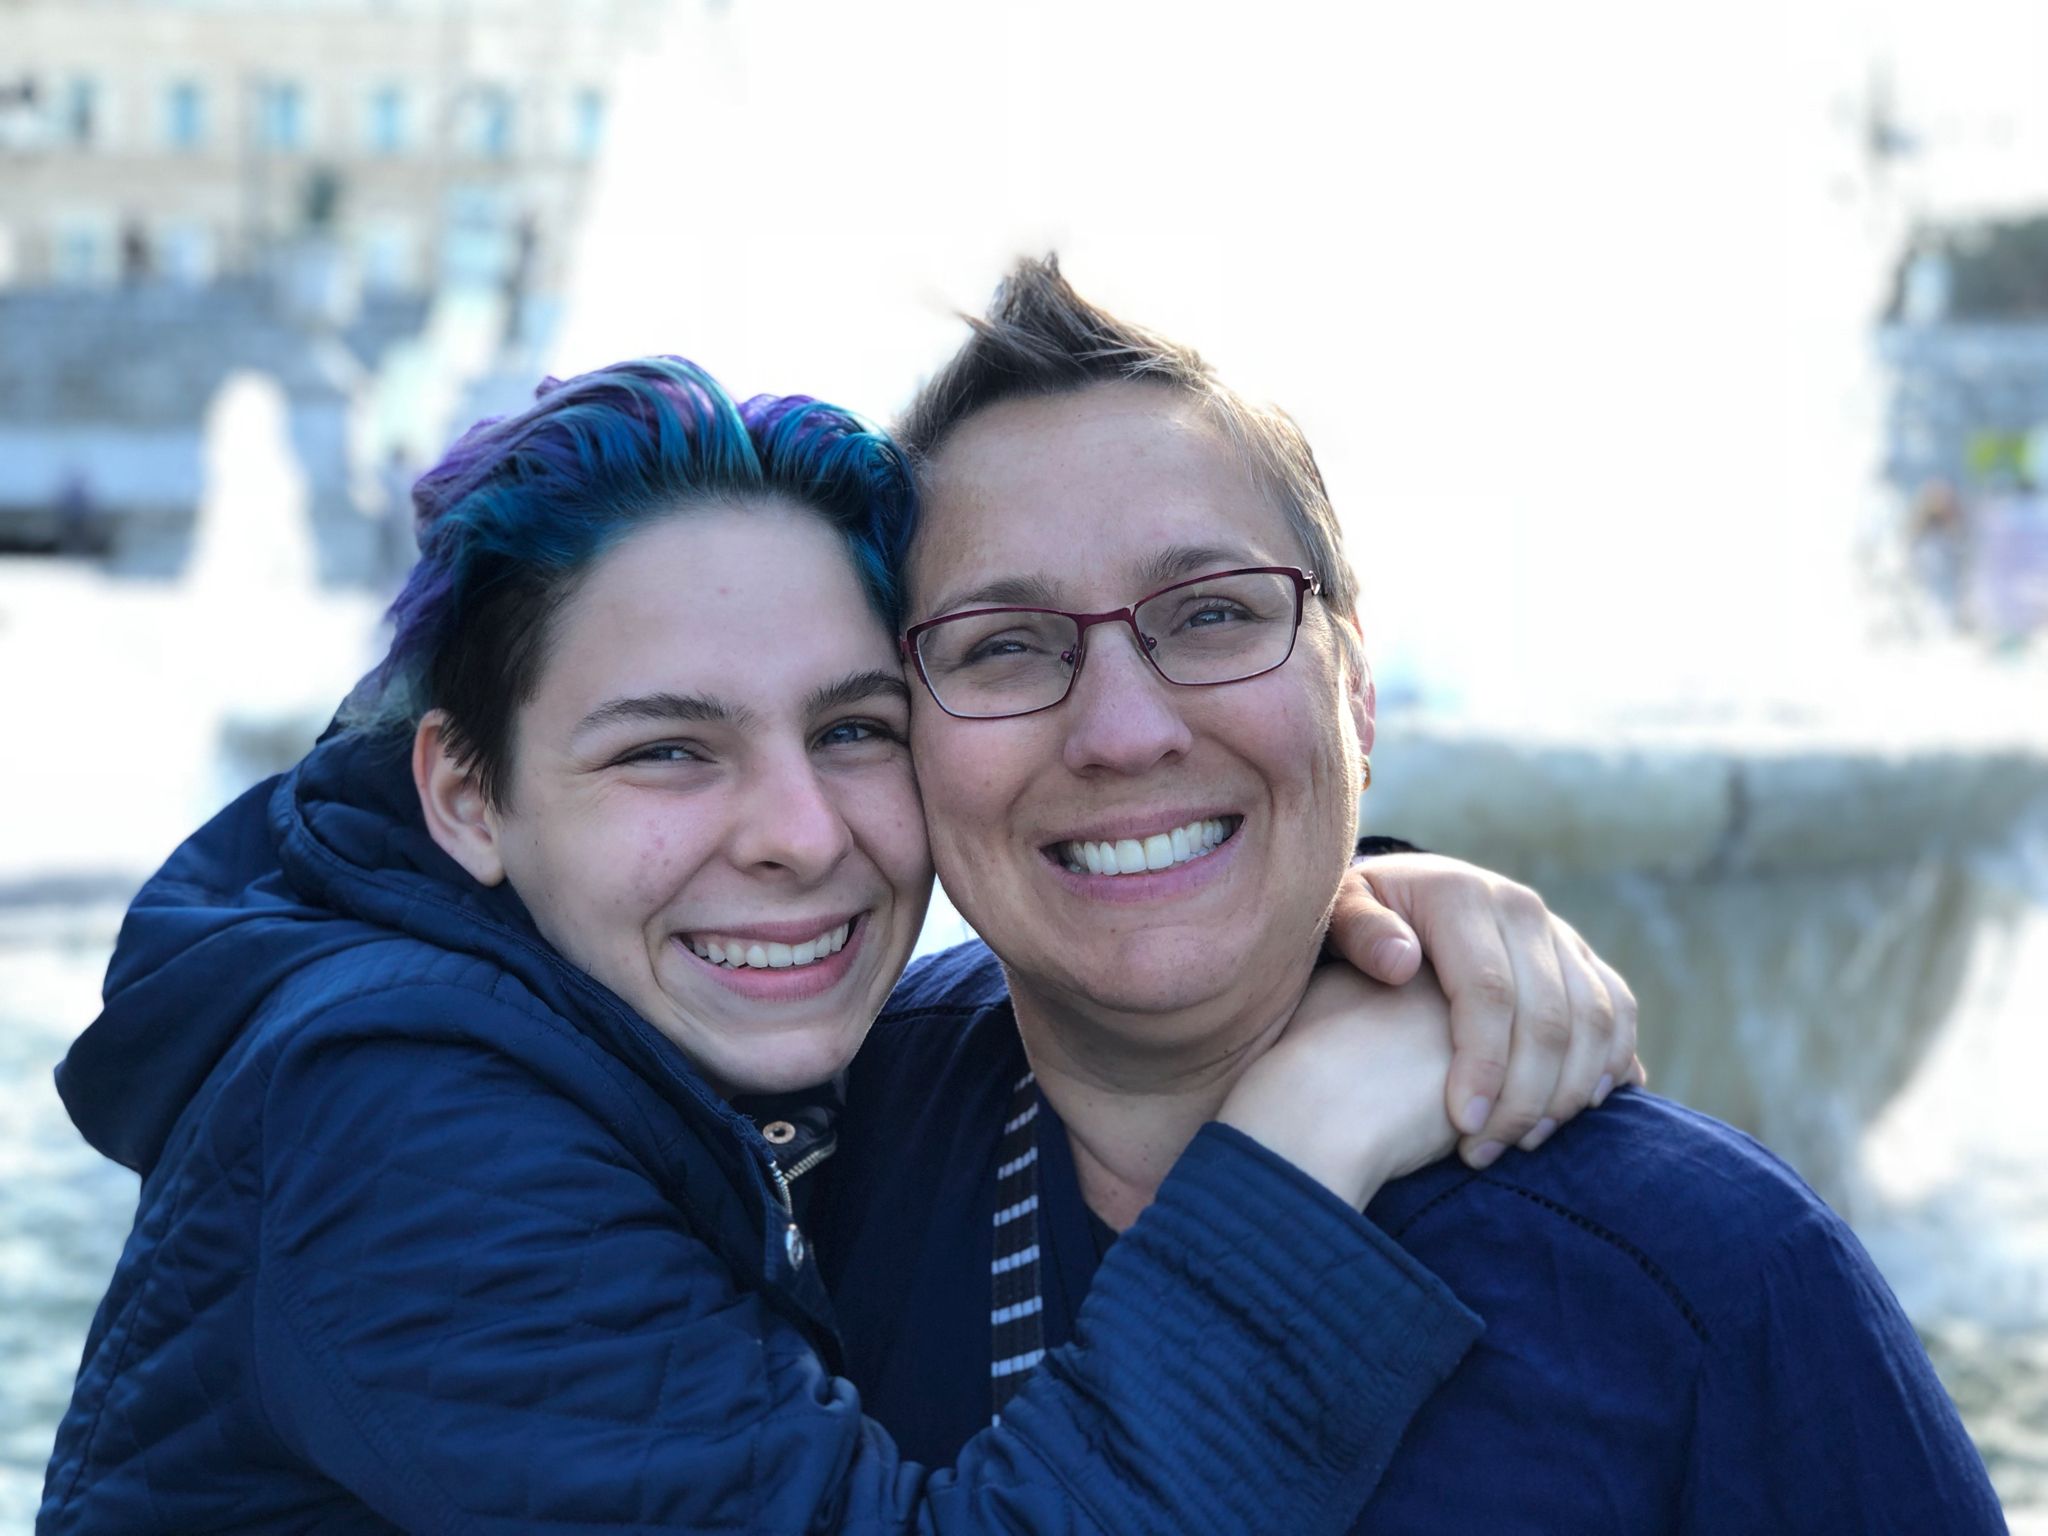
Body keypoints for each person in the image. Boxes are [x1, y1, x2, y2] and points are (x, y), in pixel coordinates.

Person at [41, 358, 1628, 1535]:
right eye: (668, 751)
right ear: (466, 794)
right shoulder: (395, 1127)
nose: (800, 834)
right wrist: (1306, 1132)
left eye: (856, 728)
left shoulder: (586, 1010)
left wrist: (1333, 911)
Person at [811, 258, 2007, 1531]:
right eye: (1002, 644)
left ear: (1358, 694)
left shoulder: (1699, 1272)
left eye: (1213, 615)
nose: (1122, 730)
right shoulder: (817, 1159)